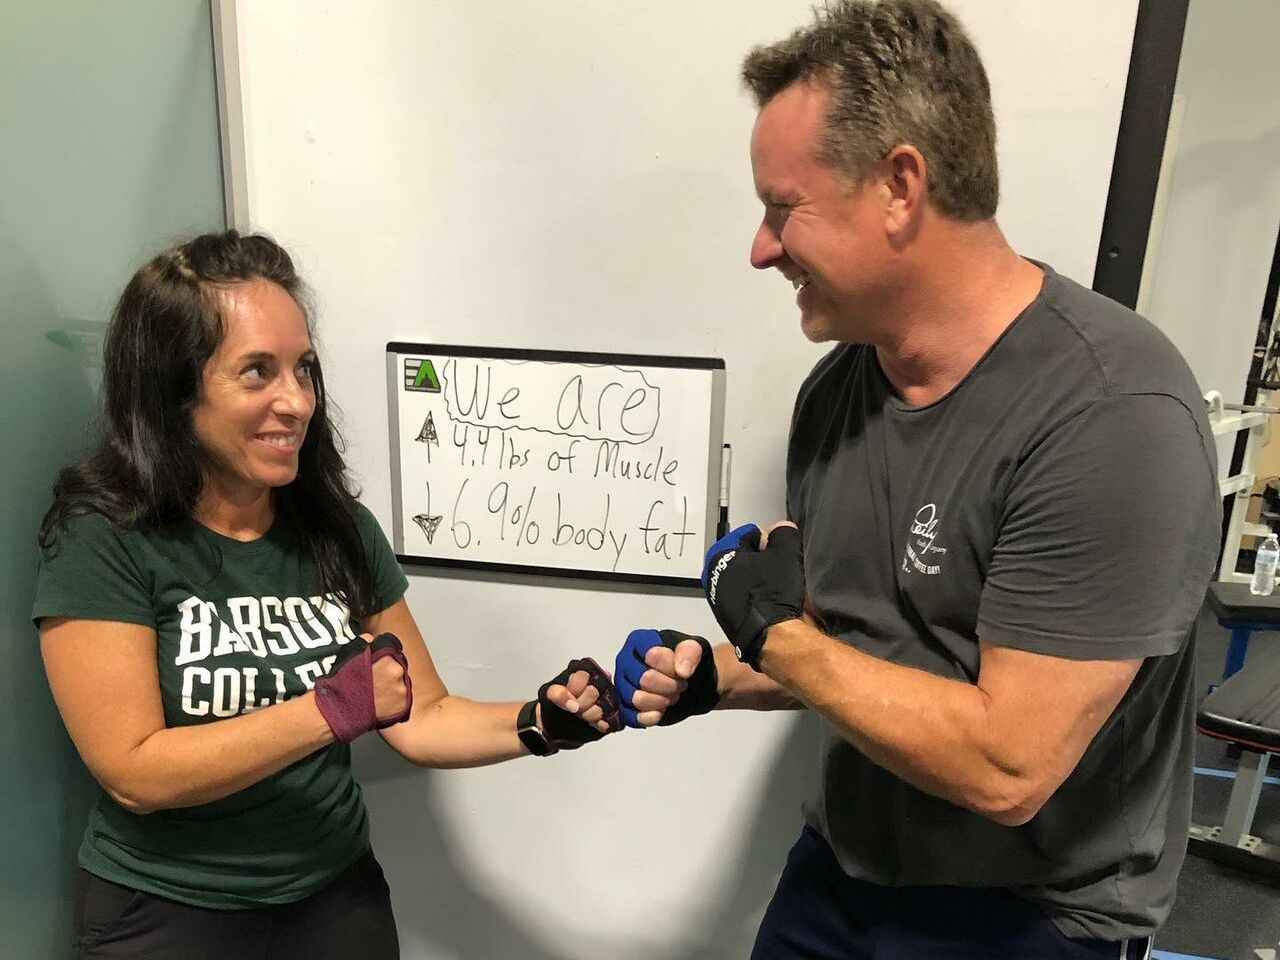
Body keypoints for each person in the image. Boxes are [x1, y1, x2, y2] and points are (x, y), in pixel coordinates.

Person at [614, 2, 1219, 958]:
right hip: (843, 874)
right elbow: (864, 657)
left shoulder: (1113, 416)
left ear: (901, 186)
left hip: (1032, 915)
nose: (761, 249)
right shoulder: (839, 395)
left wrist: (773, 636)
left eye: (783, 208)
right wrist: (719, 677)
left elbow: (1006, 766)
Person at [34, 230, 621, 960]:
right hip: (168, 912)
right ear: (174, 391)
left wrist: (538, 723)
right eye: (257, 373)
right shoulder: (107, 537)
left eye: (303, 369)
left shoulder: (337, 529)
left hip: (334, 901)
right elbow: (135, 772)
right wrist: (324, 712)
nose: (297, 402)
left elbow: (421, 713)